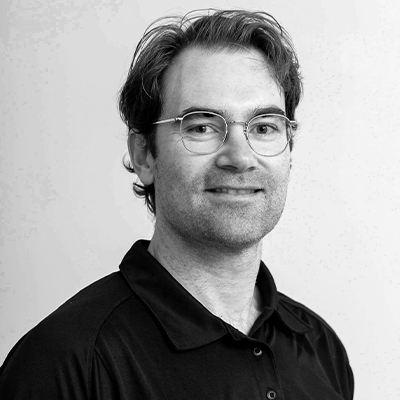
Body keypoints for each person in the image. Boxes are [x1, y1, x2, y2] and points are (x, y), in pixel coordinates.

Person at [0, 9, 354, 399]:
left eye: (264, 127)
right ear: (144, 155)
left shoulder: (321, 347)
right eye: (202, 126)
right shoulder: (65, 364)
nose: (240, 157)